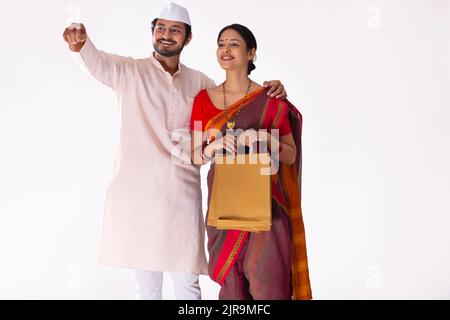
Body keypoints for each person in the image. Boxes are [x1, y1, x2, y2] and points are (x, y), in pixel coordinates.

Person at [62, 2, 286, 300]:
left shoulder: (200, 83)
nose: (166, 35)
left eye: (175, 30)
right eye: (160, 28)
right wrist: (81, 45)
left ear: (187, 38)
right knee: (147, 286)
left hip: (183, 194)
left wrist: (270, 88)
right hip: (138, 195)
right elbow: (98, 63)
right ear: (153, 32)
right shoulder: (130, 71)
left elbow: (237, 101)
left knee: (187, 283)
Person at [190, 24, 312, 300]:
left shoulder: (270, 98)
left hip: (268, 201)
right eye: (221, 44)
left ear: (251, 53)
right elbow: (194, 154)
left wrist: (265, 140)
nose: (225, 50)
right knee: (232, 278)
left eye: (234, 44)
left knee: (265, 274)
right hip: (225, 203)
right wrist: (213, 147)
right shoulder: (203, 100)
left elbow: (290, 153)